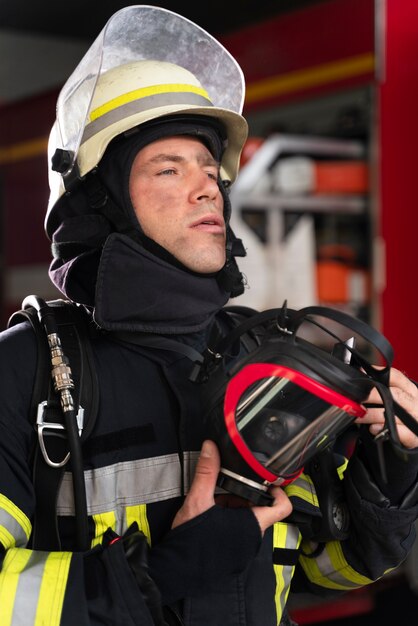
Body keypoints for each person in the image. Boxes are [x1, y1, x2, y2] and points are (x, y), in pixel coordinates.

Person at [0, 5, 418, 626]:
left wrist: (390, 476)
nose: (207, 188)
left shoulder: (258, 352)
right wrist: (160, 574)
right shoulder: (24, 370)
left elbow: (325, 565)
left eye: (209, 169)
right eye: (168, 168)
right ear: (102, 204)